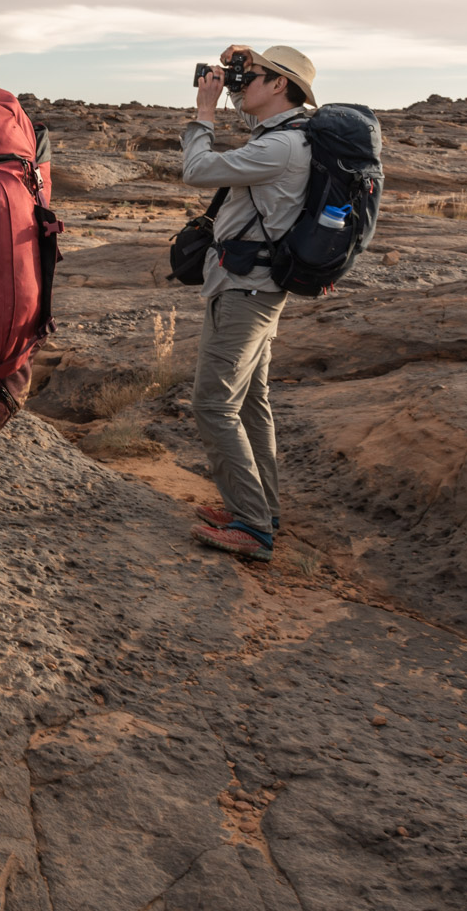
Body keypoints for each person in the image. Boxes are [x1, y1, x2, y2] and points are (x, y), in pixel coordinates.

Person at [182, 44, 318, 562]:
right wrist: (241, 60)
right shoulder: (288, 138)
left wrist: (204, 113)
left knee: (214, 404)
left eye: (251, 76)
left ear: (280, 85)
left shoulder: (281, 147)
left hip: (246, 290)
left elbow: (197, 170)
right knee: (253, 400)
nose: (241, 84)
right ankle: (263, 508)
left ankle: (252, 526)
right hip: (257, 284)